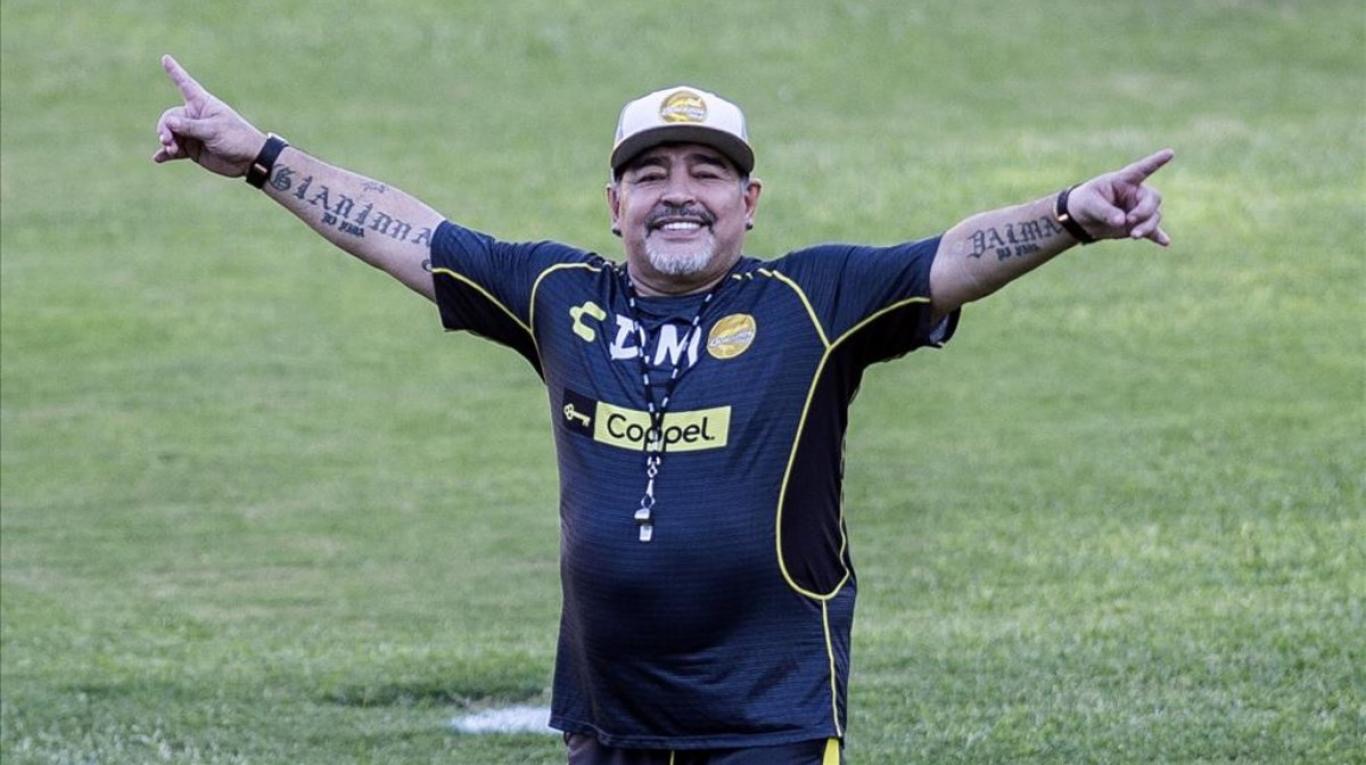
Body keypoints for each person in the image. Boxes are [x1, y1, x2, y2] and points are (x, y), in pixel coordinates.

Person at [153, 54, 1170, 765]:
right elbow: (402, 229)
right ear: (615, 206)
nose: (678, 193)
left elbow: (950, 257)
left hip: (769, 720)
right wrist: (261, 157)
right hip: (610, 721)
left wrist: (1069, 216)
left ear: (748, 203)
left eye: (707, 173)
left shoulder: (813, 301)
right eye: (650, 174)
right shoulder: (558, 295)